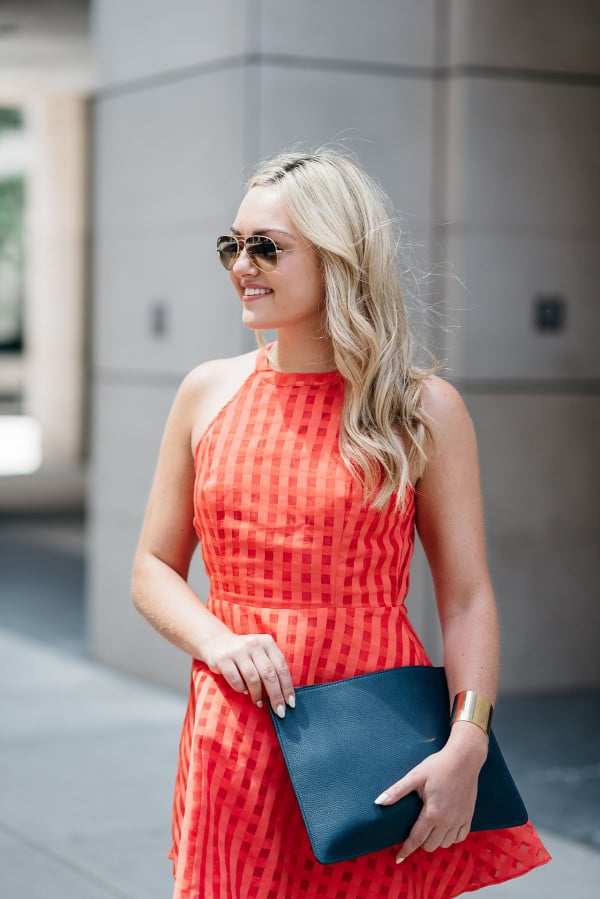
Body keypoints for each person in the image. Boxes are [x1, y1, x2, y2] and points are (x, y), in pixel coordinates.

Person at [131, 149, 550, 899]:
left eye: (267, 246)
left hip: (374, 740)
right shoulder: (206, 393)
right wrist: (217, 639)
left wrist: (469, 741)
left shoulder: (422, 408)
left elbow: (465, 596)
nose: (242, 265)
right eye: (233, 244)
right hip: (237, 733)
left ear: (339, 257)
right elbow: (151, 568)